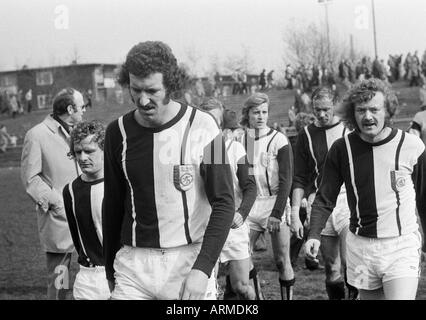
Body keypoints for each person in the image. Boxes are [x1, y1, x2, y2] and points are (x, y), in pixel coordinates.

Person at [103, 41, 235, 300]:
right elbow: (113, 204)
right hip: (133, 266)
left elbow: (225, 201)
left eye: (152, 90)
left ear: (171, 86)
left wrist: (203, 268)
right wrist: (109, 267)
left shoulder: (206, 126)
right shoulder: (115, 132)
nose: (142, 99)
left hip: (188, 261)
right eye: (135, 89)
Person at [305, 79, 426, 300]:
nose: (367, 116)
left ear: (388, 110)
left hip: (401, 246)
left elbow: (425, 200)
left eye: (374, 109)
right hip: (360, 250)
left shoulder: (412, 147)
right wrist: (314, 234)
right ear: (352, 114)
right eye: (361, 110)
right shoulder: (341, 149)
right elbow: (324, 197)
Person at [290, 87, 358, 300]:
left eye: (326, 109)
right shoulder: (306, 134)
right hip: (323, 203)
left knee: (351, 264)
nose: (321, 114)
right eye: (317, 109)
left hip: (349, 201)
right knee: (331, 268)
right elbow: (300, 177)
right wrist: (294, 213)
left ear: (335, 105)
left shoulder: (349, 129)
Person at [21, 87, 86, 300]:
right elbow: (31, 178)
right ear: (70, 108)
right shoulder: (37, 135)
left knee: (98, 273)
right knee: (61, 281)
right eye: (81, 106)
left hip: (88, 217)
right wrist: (57, 202)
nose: (84, 110)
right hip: (59, 221)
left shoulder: (82, 131)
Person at [199, 98, 258, 300]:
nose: (211, 125)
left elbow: (251, 187)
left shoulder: (236, 149)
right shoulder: (193, 148)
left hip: (232, 226)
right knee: (206, 288)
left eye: (215, 120)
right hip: (204, 227)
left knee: (241, 286)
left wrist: (241, 214)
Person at [240, 92, 294, 300]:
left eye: (264, 112)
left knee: (281, 260)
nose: (261, 116)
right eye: (256, 112)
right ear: (248, 114)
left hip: (274, 202)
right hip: (251, 203)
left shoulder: (278, 139)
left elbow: (286, 179)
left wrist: (277, 213)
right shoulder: (241, 138)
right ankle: (258, 299)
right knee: (244, 256)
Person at [62, 120, 110, 300]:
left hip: (123, 275)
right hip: (87, 279)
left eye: (89, 151)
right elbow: (77, 236)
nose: (82, 158)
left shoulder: (122, 185)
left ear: (105, 149)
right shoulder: (70, 191)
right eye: (77, 152)